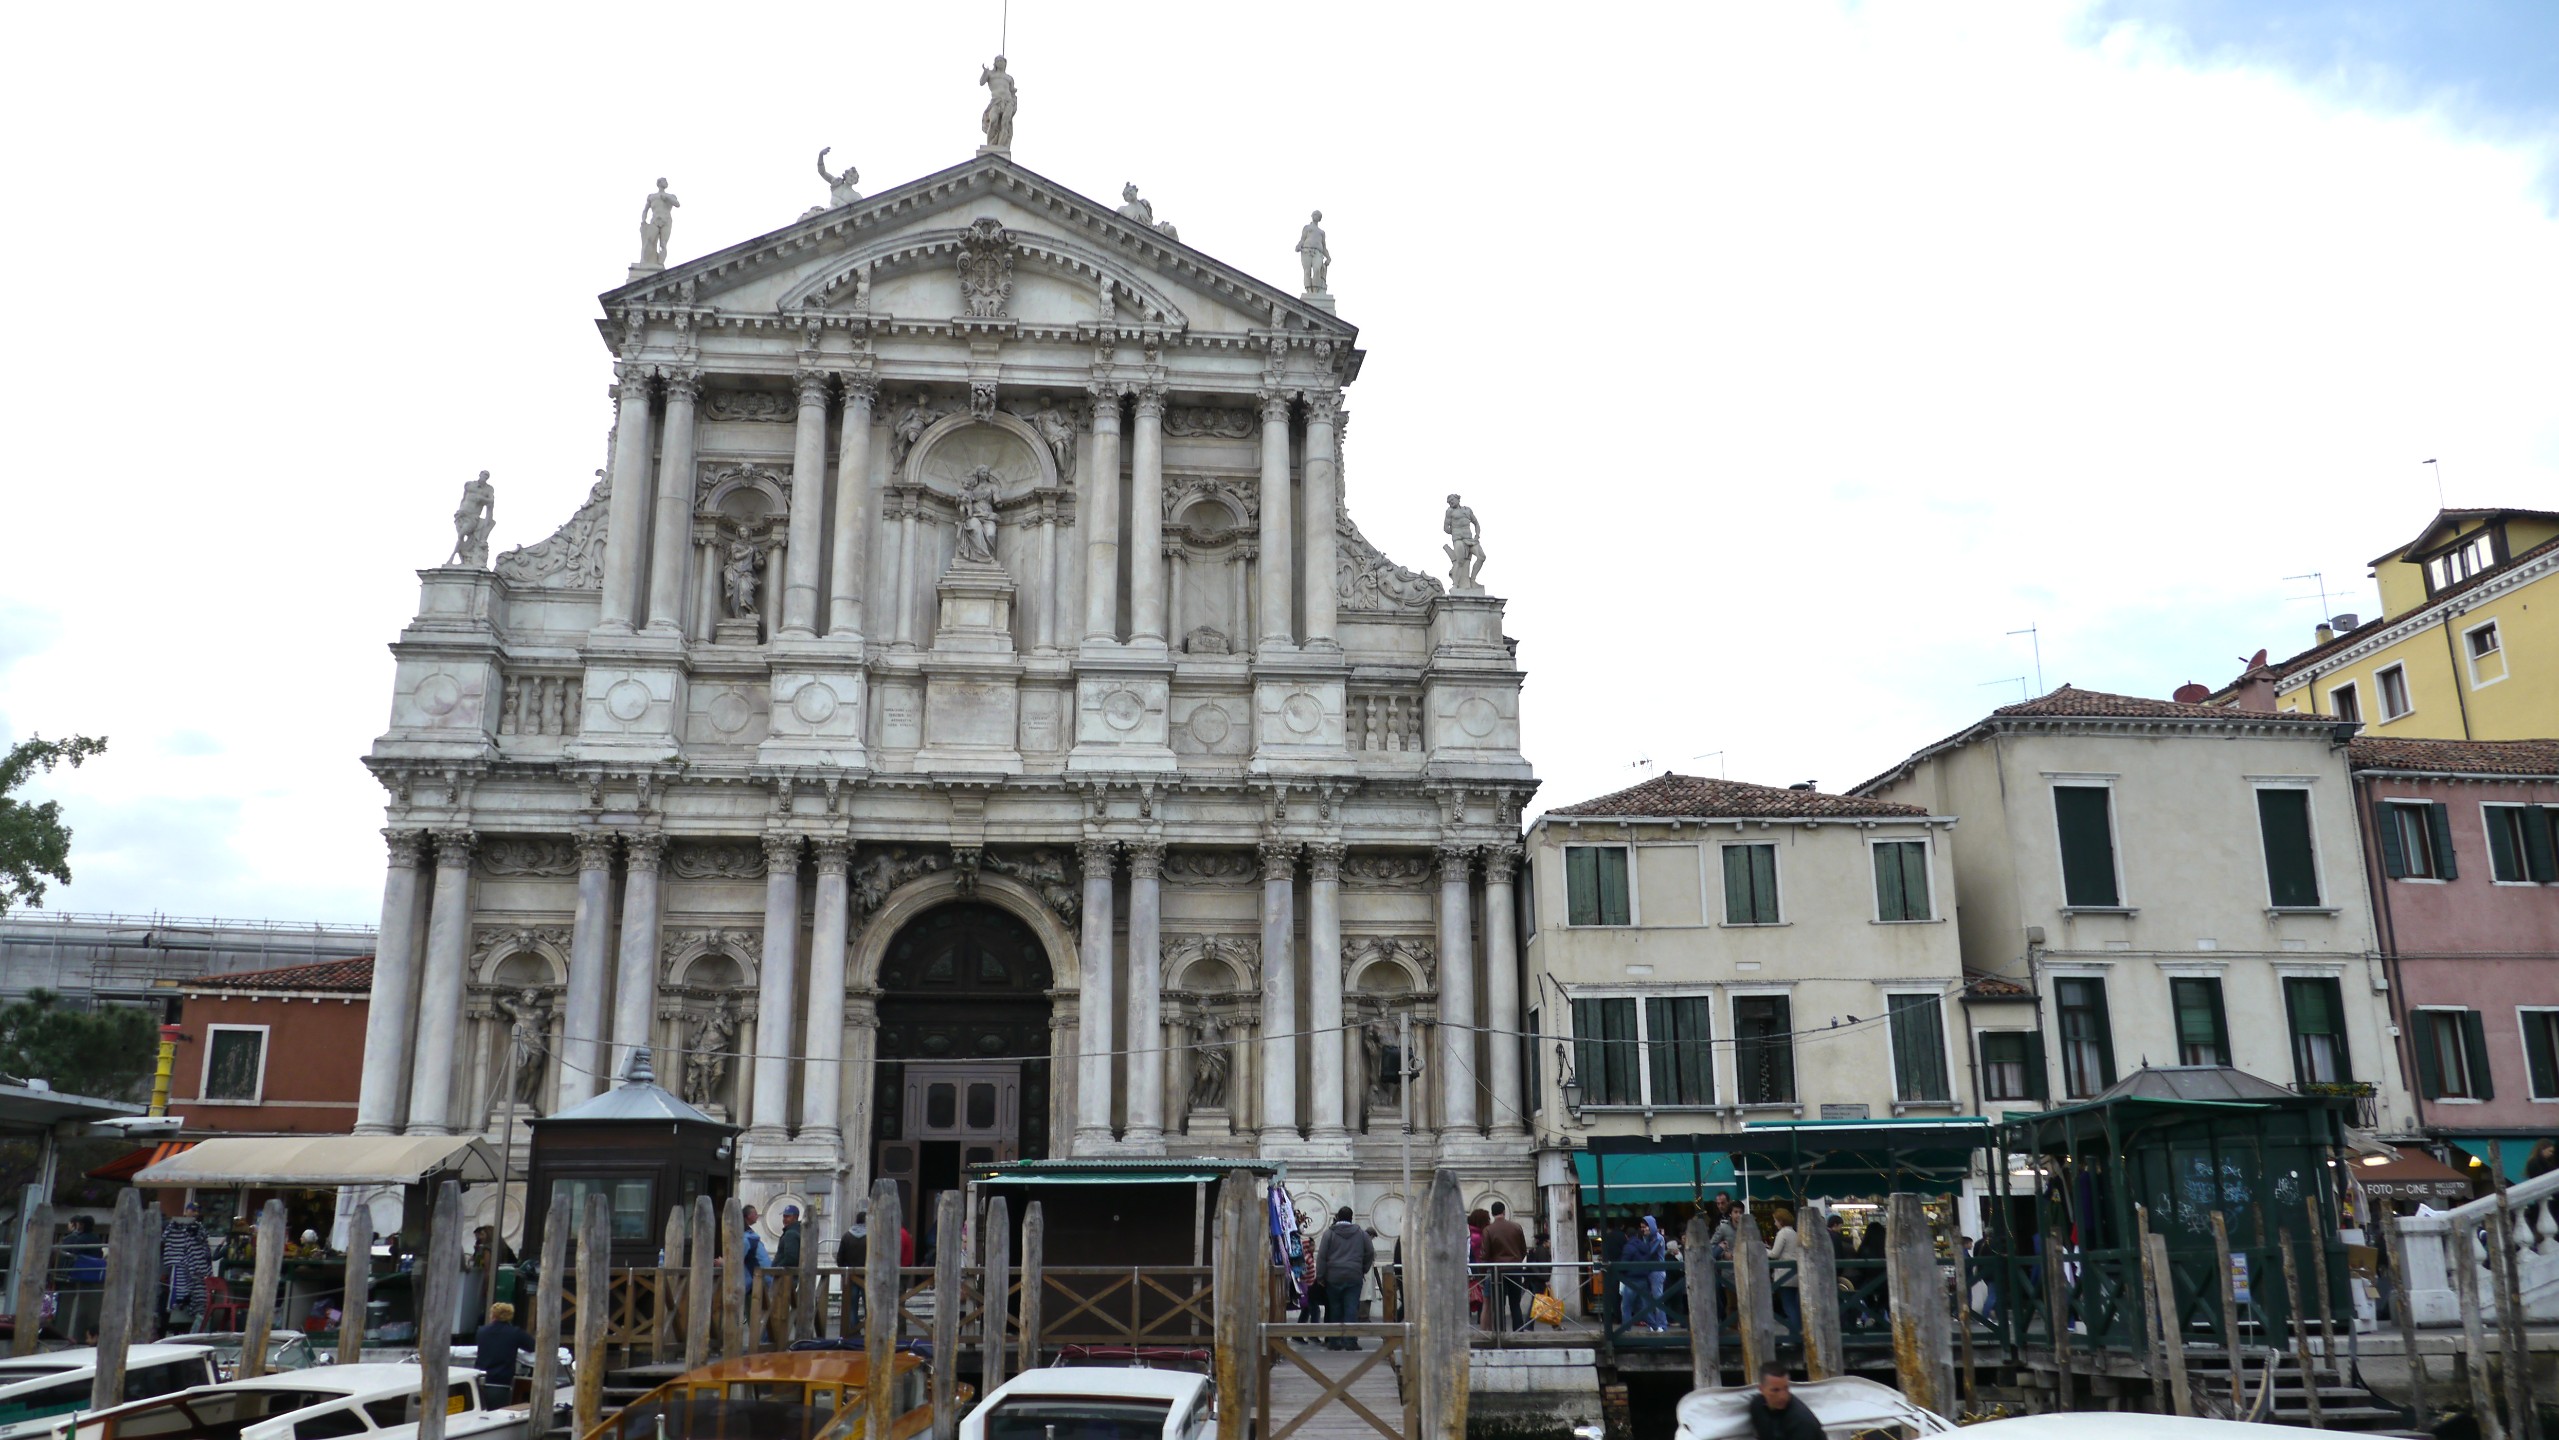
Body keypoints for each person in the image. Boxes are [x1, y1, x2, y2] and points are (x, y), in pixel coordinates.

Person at [1313, 1207, 1374, 1351]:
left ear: (1338, 1217)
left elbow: (1322, 1256)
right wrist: (1363, 1268)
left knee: (1335, 1308)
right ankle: (1350, 1341)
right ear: (1351, 1218)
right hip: (1354, 1275)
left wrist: (1320, 1276)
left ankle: (1335, 1341)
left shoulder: (1329, 1234)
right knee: (1351, 1308)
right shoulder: (1361, 1233)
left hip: (1333, 1276)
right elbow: (1370, 1252)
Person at [162, 1201, 214, 1336]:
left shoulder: (199, 1226)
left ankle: (193, 1327)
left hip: (197, 1266)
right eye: (193, 1210)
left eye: (197, 1211)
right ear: (186, 1211)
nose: (195, 1213)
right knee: (179, 1294)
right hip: (178, 1262)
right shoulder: (173, 1224)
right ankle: (177, 1326)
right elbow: (164, 1238)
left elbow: (204, 1241)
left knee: (197, 1295)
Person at [472, 1302, 534, 1409]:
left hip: (481, 1381)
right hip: (501, 1384)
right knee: (498, 1413)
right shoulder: (515, 1333)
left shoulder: (481, 1331)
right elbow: (532, 1346)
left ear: (493, 1315)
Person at [1481, 1201, 1528, 1332]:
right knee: (1515, 1304)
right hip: (1515, 1269)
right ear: (1504, 1211)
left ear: (1492, 1213)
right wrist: (1516, 1261)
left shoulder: (1488, 1230)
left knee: (1499, 1305)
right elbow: (1523, 1250)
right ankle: (1518, 1333)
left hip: (1497, 1271)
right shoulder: (1516, 1227)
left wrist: (1483, 1272)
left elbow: (1485, 1254)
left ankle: (1500, 1334)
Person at [1747, 1360, 1823, 1440]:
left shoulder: (1801, 1422)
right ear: (1761, 1389)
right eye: (1775, 1390)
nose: (1782, 1396)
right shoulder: (1757, 1407)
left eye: (1786, 1388)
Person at [1620, 1216, 1669, 1332]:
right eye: (1642, 1227)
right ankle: (1654, 1325)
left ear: (1651, 1226)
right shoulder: (1644, 1238)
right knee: (1646, 1301)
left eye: (1645, 1227)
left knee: (1657, 1298)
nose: (1643, 1229)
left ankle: (1662, 1324)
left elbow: (1649, 1252)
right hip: (1648, 1271)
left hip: (1657, 1271)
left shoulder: (1658, 1238)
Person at [1768, 1208, 1803, 1342]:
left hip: (1784, 1275)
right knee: (1794, 1305)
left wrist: (1762, 1249)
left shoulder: (1782, 1233)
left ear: (1781, 1221)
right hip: (1794, 1274)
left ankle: (1794, 1336)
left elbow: (1774, 1254)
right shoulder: (1794, 1233)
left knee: (1788, 1306)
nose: (1774, 1223)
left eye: (1775, 1220)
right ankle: (1798, 1333)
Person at [836, 1210, 869, 1328]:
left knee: (852, 1305)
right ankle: (869, 1330)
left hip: (850, 1276)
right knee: (869, 1305)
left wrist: (844, 1271)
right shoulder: (872, 1236)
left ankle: (853, 1331)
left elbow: (840, 1257)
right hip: (867, 1276)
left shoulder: (847, 1236)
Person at [774, 1205, 803, 1270]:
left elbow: (791, 1258)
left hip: (786, 1273)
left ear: (795, 1217)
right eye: (784, 1216)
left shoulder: (791, 1233)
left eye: (787, 1216)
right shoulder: (799, 1230)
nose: (784, 1219)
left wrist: (778, 1267)